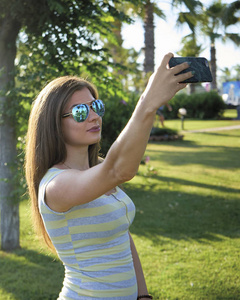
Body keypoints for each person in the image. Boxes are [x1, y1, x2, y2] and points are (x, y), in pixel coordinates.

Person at [24, 53, 193, 300]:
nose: (94, 116)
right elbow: (120, 170)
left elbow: (121, 233)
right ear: (54, 124)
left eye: (96, 106)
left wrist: (143, 295)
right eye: (80, 111)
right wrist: (148, 102)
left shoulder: (97, 169)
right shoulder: (56, 185)